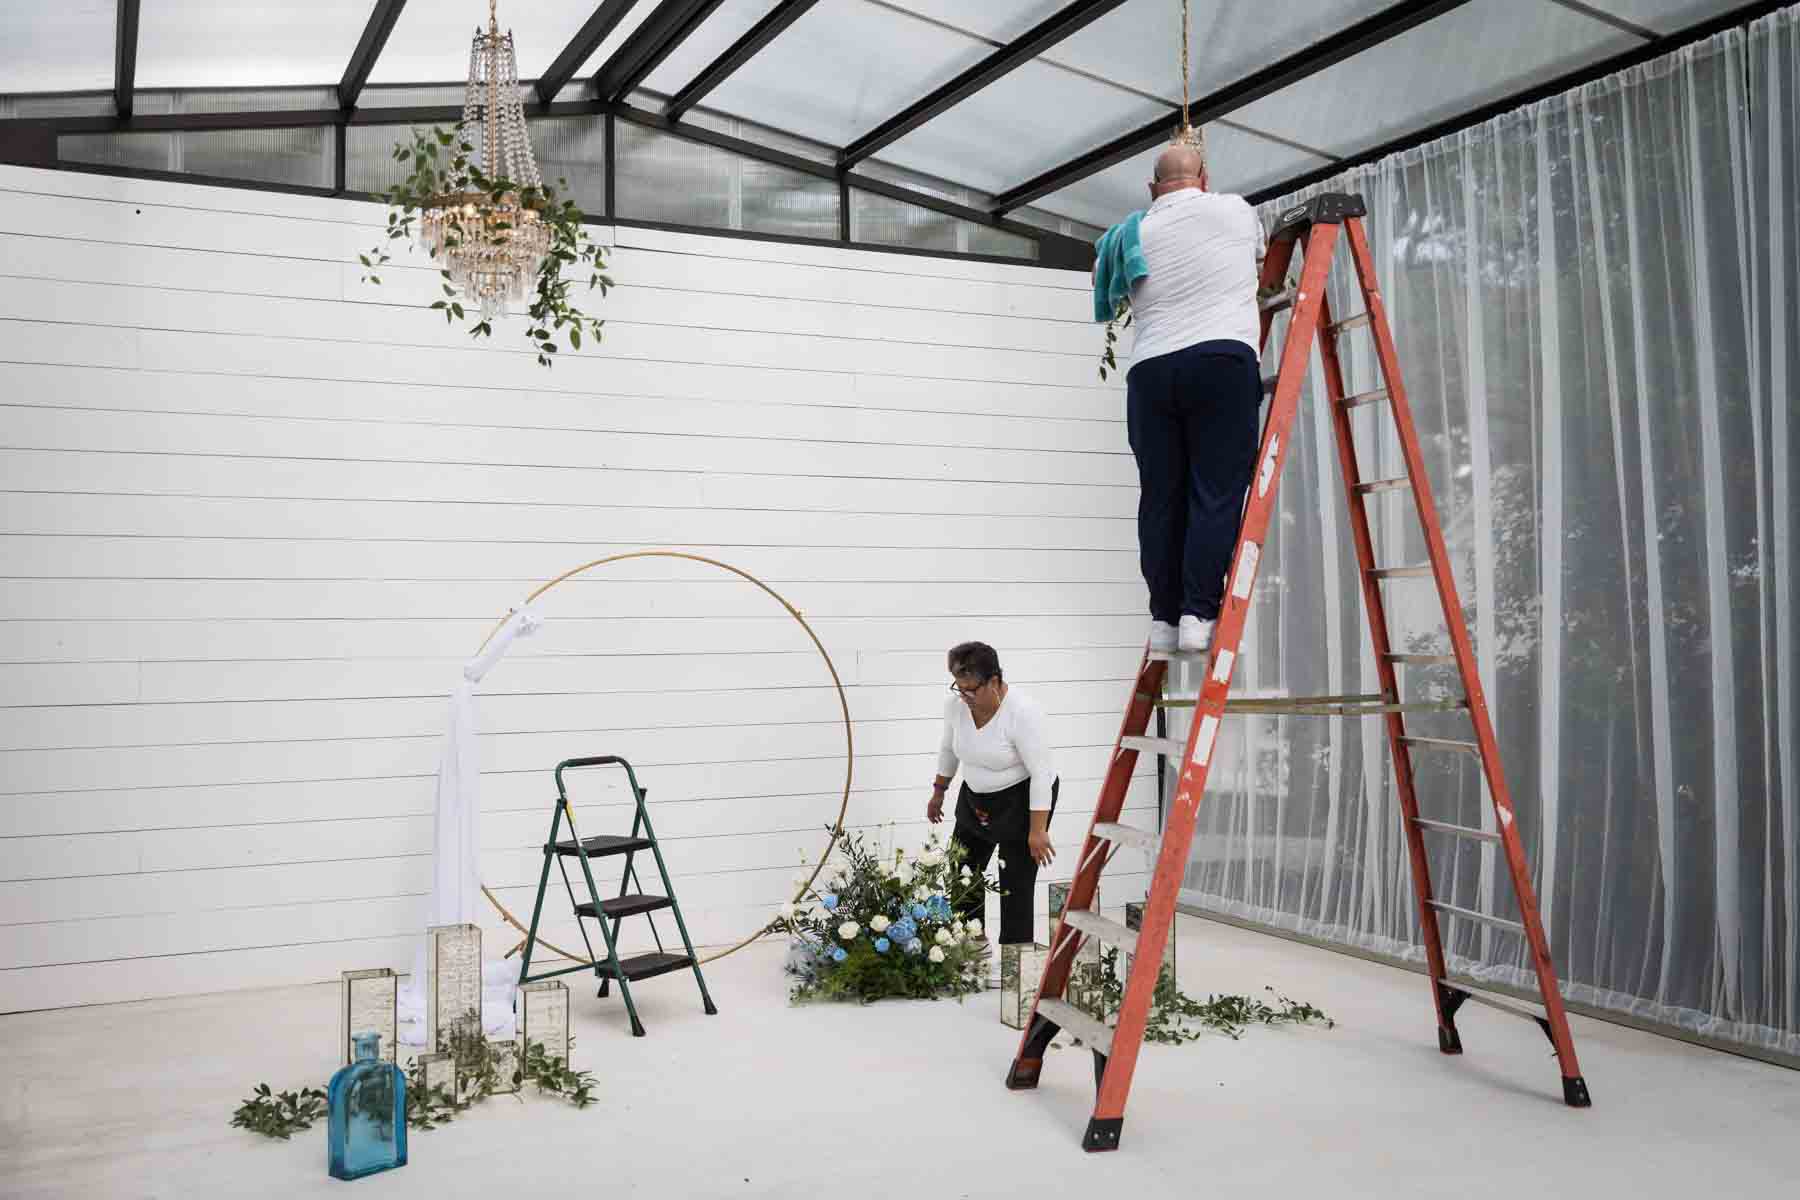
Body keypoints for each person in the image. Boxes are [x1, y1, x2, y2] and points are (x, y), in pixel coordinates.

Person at [1097, 134, 1266, 655]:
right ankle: (1198, 614)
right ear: (1205, 179)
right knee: (1213, 491)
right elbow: (1260, 252)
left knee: (1161, 498)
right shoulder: (1235, 212)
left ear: (1153, 188)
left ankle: (1163, 621)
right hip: (1219, 360)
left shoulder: (1136, 232)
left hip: (1150, 372)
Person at [926, 641, 1057, 946]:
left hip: (1023, 800)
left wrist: (1037, 830)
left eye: (971, 689)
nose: (965, 697)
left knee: (1015, 881)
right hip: (976, 798)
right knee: (962, 870)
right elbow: (949, 749)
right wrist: (938, 792)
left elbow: (1041, 774)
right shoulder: (956, 706)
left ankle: (1016, 957)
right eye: (959, 688)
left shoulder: (1023, 712)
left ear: (994, 681)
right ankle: (971, 946)